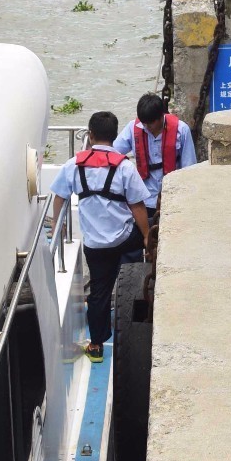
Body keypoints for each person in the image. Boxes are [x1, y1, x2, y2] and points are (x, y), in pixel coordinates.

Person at [50, 111, 150, 362]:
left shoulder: (73, 164)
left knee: (99, 292)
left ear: (90, 135)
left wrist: (59, 225)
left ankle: (96, 345)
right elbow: (137, 205)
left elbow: (60, 195)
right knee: (134, 278)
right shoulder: (125, 167)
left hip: (95, 244)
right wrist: (147, 236)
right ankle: (135, 327)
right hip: (125, 238)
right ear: (115, 137)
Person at [114, 92, 197, 216]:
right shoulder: (133, 128)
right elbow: (114, 153)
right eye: (144, 123)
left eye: (150, 123)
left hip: (173, 198)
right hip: (144, 200)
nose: (146, 127)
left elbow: (189, 168)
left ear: (161, 117)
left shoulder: (182, 130)